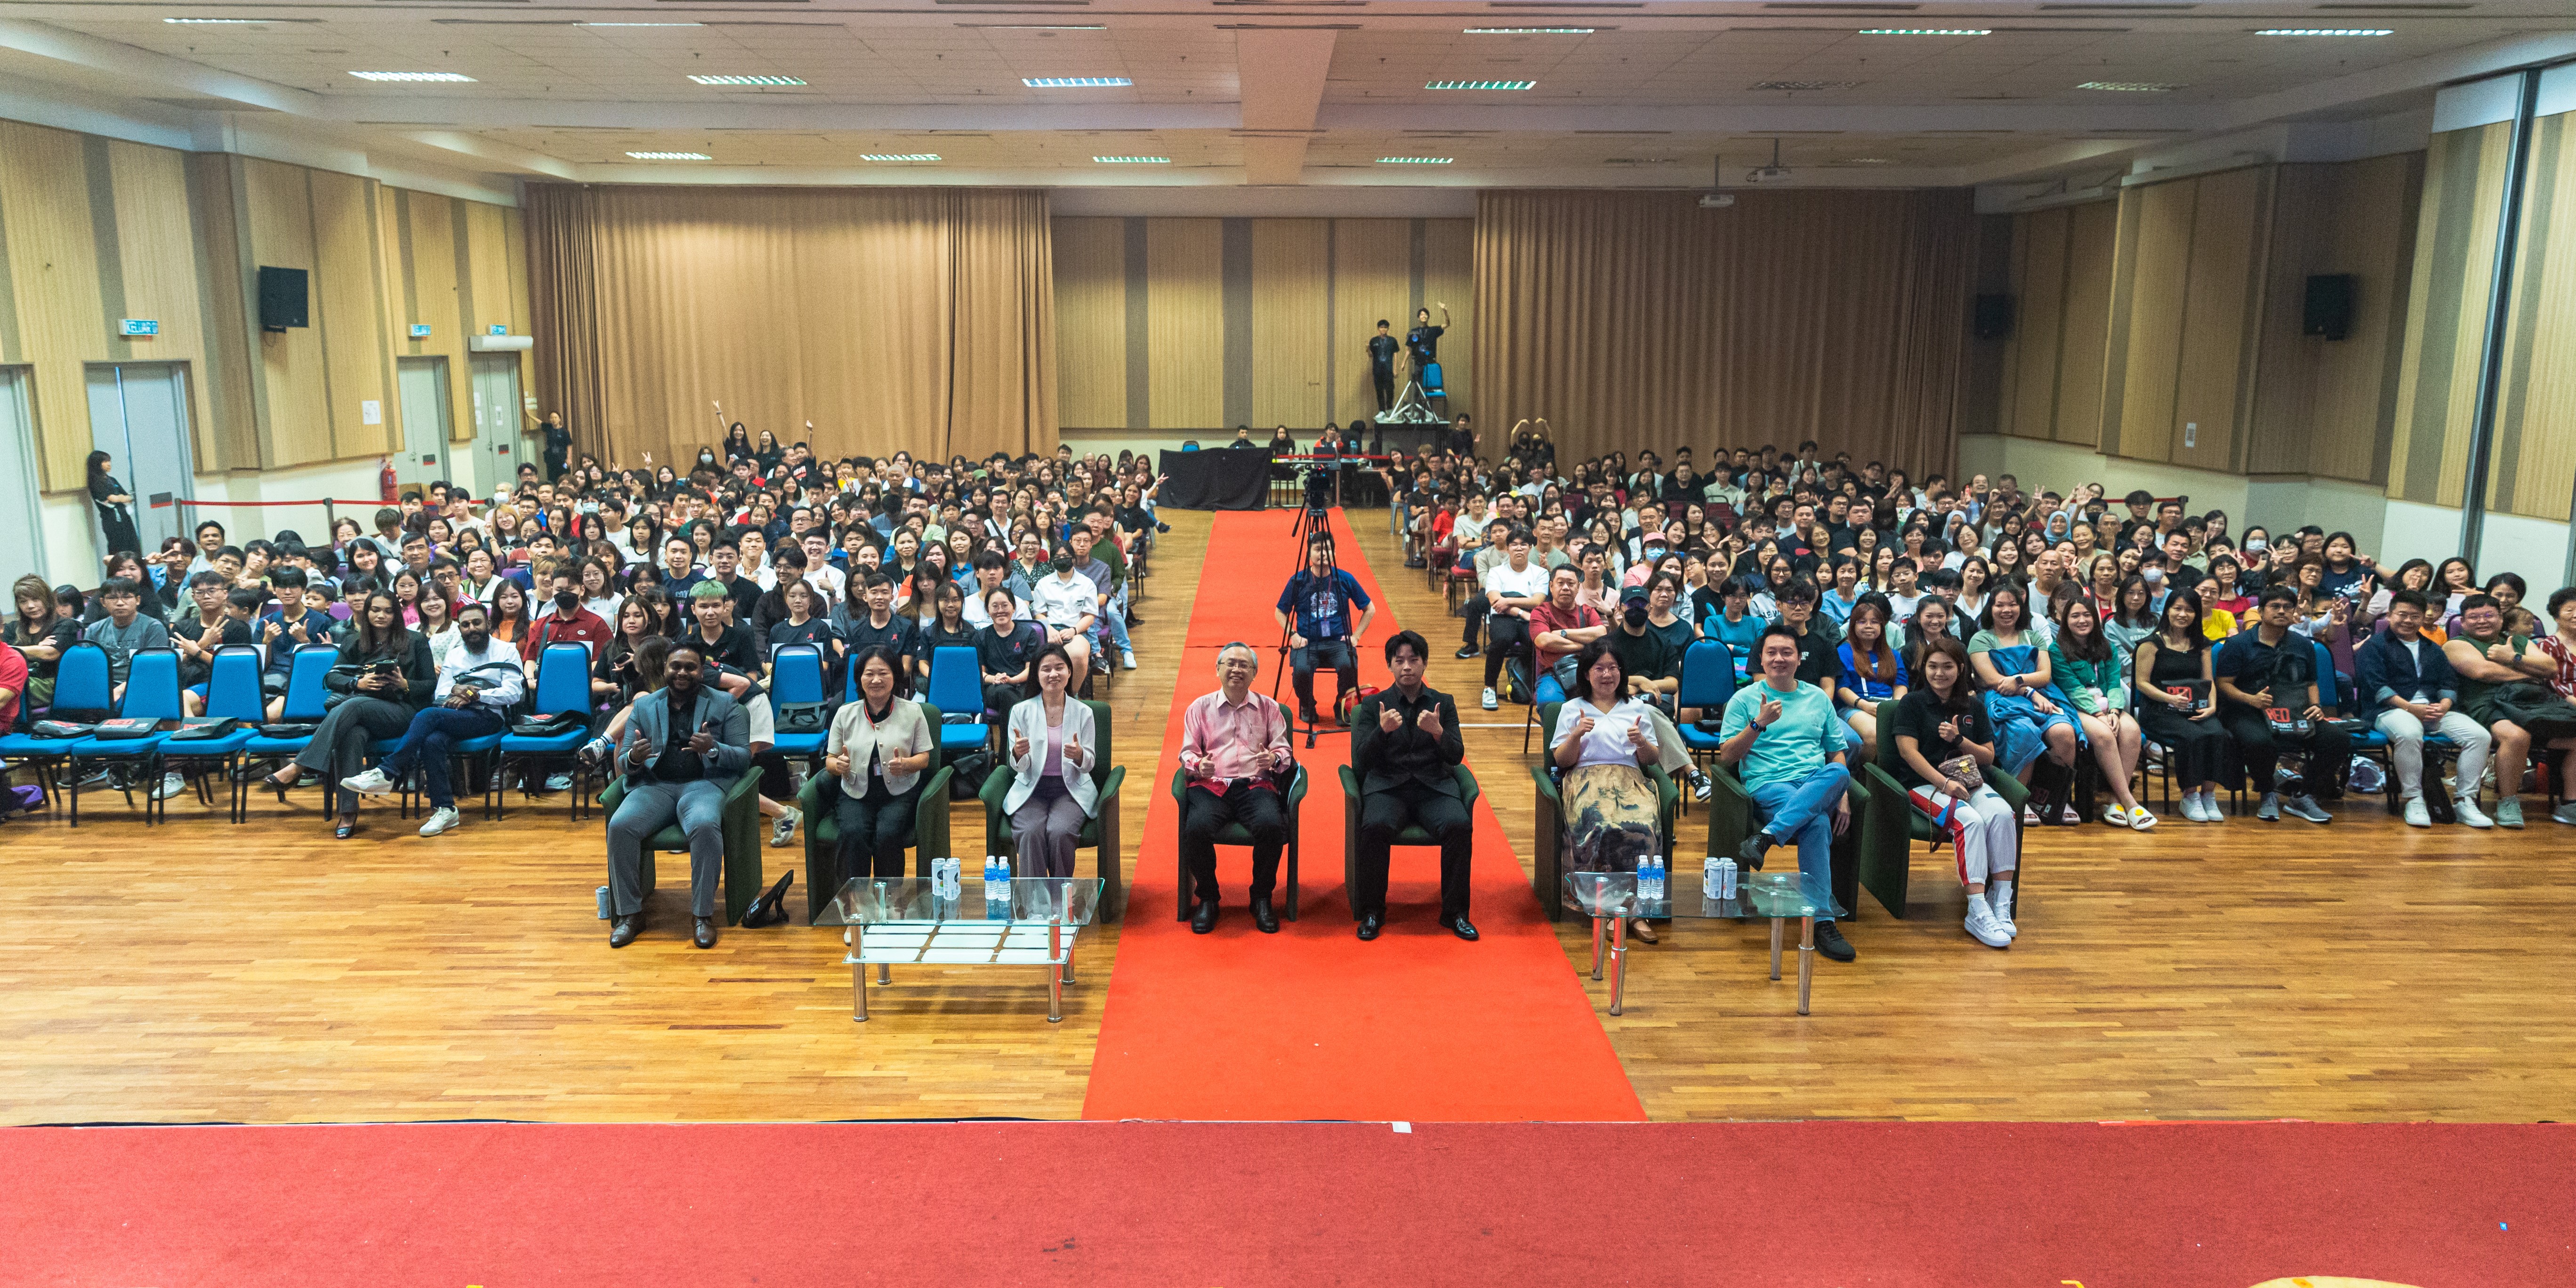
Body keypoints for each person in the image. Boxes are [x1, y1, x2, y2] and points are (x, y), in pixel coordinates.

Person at [1719, 622, 1857, 962]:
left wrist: (1842, 798)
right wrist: (1758, 724)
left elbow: (1836, 753)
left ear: (1799, 659)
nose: (1779, 659)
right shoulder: (1744, 699)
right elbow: (1727, 756)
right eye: (1772, 653)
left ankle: (1765, 838)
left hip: (1815, 781)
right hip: (1770, 784)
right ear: (1762, 660)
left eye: (1787, 652)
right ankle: (1822, 921)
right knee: (1818, 825)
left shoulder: (1817, 698)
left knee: (1840, 772)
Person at [603, 641, 751, 950]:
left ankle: (702, 916)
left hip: (703, 784)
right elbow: (622, 760)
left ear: (702, 670)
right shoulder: (644, 706)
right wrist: (634, 759)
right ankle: (630, 915)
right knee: (620, 826)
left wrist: (712, 748)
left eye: (690, 667)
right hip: (655, 785)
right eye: (676, 667)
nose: (682, 673)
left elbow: (742, 759)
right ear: (666, 670)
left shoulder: (725, 704)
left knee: (705, 824)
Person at [338, 600, 526, 837]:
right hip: (455, 715)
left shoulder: (506, 650)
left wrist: (474, 694)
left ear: (488, 623)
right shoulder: (456, 655)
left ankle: (387, 771)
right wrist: (456, 693)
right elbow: (441, 693)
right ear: (460, 630)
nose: (471, 629)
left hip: (488, 716)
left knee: (427, 714)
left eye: (477, 623)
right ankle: (445, 809)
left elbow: (514, 693)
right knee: (432, 741)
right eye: (465, 625)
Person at [259, 590, 434, 838]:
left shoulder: (416, 641)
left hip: (401, 712)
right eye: (375, 610)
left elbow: (430, 685)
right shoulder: (354, 641)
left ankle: (299, 766)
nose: (381, 616)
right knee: (350, 735)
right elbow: (331, 677)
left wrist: (404, 684)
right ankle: (348, 812)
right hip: (359, 714)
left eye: (388, 611)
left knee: (352, 707)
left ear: (396, 614)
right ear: (367, 612)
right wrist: (358, 684)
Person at [1892, 636, 2020, 948]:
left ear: (1961, 668)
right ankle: (1976, 909)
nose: (1939, 673)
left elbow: (1989, 756)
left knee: (2003, 814)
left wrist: (1959, 739)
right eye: (1933, 666)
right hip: (1925, 784)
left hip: (1971, 780)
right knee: (1970, 821)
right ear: (1924, 668)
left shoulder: (1973, 706)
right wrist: (1944, 784)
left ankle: (2001, 903)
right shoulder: (1912, 702)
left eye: (1947, 666)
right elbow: (1909, 753)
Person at [1350, 630, 1474, 942]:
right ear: (1390, 666)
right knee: (1375, 826)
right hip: (1388, 787)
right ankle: (1372, 911)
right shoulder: (1373, 705)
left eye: (1414, 660)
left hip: (1433, 787)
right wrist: (1381, 732)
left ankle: (1456, 913)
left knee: (1459, 826)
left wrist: (1437, 733)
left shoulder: (1443, 704)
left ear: (1424, 664)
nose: (1407, 667)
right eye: (1399, 661)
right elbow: (1362, 762)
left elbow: (1456, 755)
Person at [1550, 638, 1666, 944]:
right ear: (1586, 673)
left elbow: (1652, 759)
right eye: (1599, 668)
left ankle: (1637, 911)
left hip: (1630, 780)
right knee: (1602, 826)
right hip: (1586, 780)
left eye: (1612, 668)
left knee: (1643, 827)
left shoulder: (1636, 706)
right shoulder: (1572, 708)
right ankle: (1608, 909)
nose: (1606, 675)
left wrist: (1641, 742)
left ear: (1622, 672)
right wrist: (1576, 734)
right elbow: (1561, 760)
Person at [1176, 642, 1294, 935]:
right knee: (1196, 829)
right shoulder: (1199, 708)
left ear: (1254, 673)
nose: (1236, 670)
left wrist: (1274, 758)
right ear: (1218, 669)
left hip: (1256, 785)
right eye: (1230, 663)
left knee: (1271, 826)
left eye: (1244, 665)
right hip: (1212, 786)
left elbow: (1284, 751)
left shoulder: (1269, 707)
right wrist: (1197, 765)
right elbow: (1187, 752)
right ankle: (1208, 898)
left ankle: (1262, 897)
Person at [2356, 588, 2494, 828]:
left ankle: (2465, 801)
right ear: (2389, 615)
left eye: (2415, 616)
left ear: (2424, 618)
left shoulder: (2433, 649)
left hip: (2432, 709)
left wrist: (2445, 705)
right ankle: (2414, 798)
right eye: (2402, 615)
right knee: (2409, 733)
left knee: (2480, 736)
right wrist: (2410, 708)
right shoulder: (2375, 646)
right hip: (2389, 711)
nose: (2408, 621)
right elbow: (2376, 686)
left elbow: (2448, 683)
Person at [2213, 585, 2347, 824]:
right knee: (2259, 741)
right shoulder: (2239, 644)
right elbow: (2223, 684)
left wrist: (2316, 706)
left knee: (2337, 739)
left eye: (2288, 607)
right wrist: (2251, 699)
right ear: (2262, 611)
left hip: (2293, 711)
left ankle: (2303, 795)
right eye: (2275, 607)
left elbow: (2311, 682)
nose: (2282, 612)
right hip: (2247, 710)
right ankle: (2268, 792)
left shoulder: (2304, 645)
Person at [2445, 592, 2576, 829]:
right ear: (2463, 622)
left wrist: (2513, 657)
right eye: (2474, 617)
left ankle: (2570, 804)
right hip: (2487, 704)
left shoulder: (2519, 642)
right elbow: (2483, 673)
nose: (2483, 621)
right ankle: (2508, 801)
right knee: (2516, 736)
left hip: (2532, 703)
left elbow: (2550, 667)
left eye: (2489, 615)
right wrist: (2530, 672)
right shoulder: (2456, 644)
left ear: (2501, 619)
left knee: (2575, 734)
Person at [1968, 584, 2082, 823]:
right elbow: (1993, 681)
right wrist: (2029, 691)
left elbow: (2045, 675)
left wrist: (2021, 682)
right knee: (2024, 731)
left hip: (2044, 695)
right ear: (1991, 608)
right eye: (2000, 604)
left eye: (2013, 604)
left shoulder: (2034, 636)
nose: (2007, 610)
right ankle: (2020, 797)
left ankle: (2058, 797)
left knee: (2065, 733)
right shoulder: (1981, 639)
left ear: (2022, 607)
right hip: (2002, 699)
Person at [823, 647, 936, 880]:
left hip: (900, 791)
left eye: (883, 673)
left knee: (888, 835)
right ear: (859, 679)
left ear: (895, 676)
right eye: (869, 674)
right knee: (854, 834)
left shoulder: (913, 712)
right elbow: (830, 761)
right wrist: (839, 765)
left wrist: (907, 764)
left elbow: (924, 758)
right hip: (855, 791)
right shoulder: (845, 713)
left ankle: (891, 903)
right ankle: (855, 902)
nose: (876, 680)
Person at [2049, 596, 2154, 829]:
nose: (2082, 620)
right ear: (2065, 620)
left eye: (2087, 615)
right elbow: (2071, 688)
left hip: (2109, 706)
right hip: (2078, 707)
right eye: (2075, 616)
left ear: (2095, 619)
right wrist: (2098, 714)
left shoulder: (2106, 646)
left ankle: (2115, 801)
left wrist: (2116, 711)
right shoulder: (2057, 650)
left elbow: (2114, 683)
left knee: (2132, 730)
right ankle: (2129, 802)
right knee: (2104, 735)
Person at [1000, 644, 1100, 881]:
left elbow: (1090, 764)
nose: (1053, 674)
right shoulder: (1021, 711)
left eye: (1059, 668)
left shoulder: (1084, 712)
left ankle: (1059, 901)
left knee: (1060, 832)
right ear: (1037, 675)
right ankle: (1035, 904)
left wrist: (1079, 756)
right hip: (1032, 789)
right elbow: (1019, 768)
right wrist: (1018, 754)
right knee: (1030, 831)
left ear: (1069, 673)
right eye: (1046, 669)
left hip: (1070, 789)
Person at [1273, 533, 1375, 726]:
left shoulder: (1344, 579)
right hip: (1307, 642)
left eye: (1327, 549)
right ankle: (1308, 705)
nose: (1323, 554)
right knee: (1301, 672)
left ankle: (1341, 706)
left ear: (1334, 553)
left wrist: (1356, 637)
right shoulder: (1299, 580)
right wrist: (1293, 635)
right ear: (1309, 553)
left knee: (1349, 665)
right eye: (1318, 549)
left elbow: (1370, 609)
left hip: (1338, 642)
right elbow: (1280, 612)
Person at [1467, 528, 1549, 709]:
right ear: (1508, 548)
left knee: (1538, 642)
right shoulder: (1497, 572)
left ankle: (1534, 686)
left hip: (1531, 618)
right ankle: (1489, 688)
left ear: (1531, 548)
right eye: (1514, 545)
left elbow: (1537, 601)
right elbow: (1495, 602)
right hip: (1504, 617)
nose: (1519, 549)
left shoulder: (1540, 573)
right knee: (1502, 640)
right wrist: (1521, 611)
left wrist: (1508, 600)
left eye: (1523, 545)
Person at [86, 451, 140, 562]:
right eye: (105, 461)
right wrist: (119, 498)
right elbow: (112, 498)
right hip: (111, 520)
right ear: (97, 464)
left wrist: (120, 498)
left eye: (109, 461)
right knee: (118, 551)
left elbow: (128, 498)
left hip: (125, 517)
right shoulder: (95, 482)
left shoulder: (112, 480)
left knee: (133, 548)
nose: (109, 464)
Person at [1367, 319, 1400, 413]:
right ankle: (1382, 411)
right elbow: (1371, 356)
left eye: (1385, 327)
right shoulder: (1374, 341)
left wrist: (1395, 369)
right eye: (1381, 327)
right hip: (1377, 370)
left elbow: (1396, 354)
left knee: (1390, 390)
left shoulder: (1392, 340)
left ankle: (1389, 409)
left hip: (1388, 369)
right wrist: (1368, 349)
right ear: (1378, 329)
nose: (1383, 329)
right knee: (1379, 391)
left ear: (1388, 329)